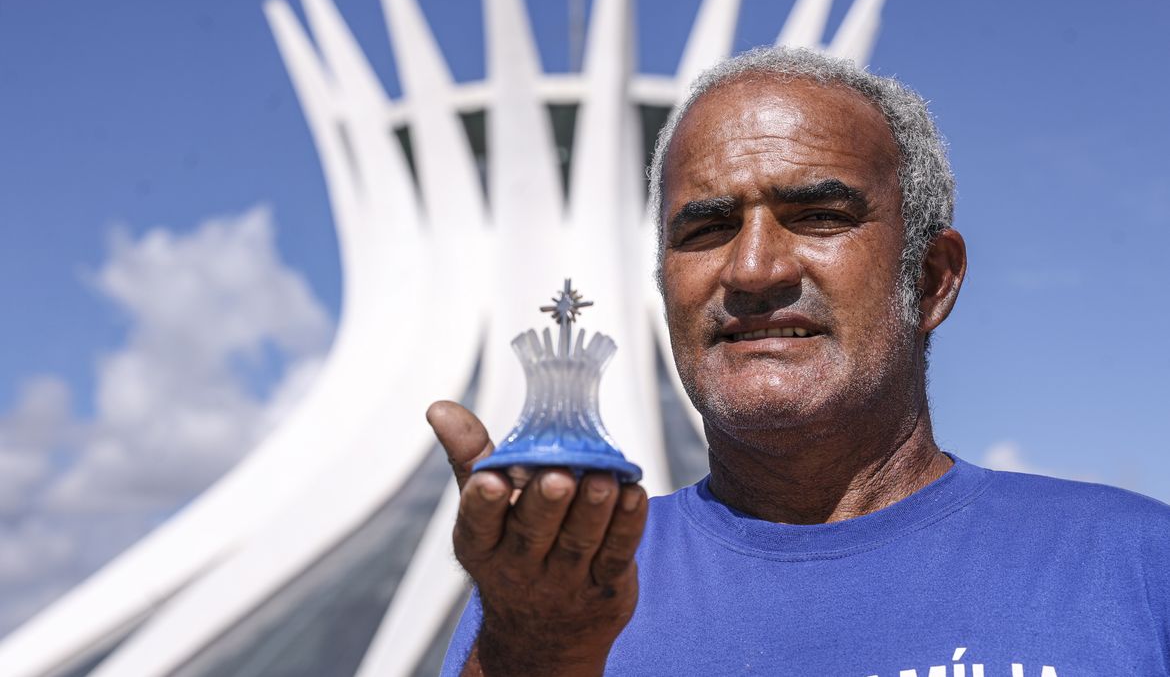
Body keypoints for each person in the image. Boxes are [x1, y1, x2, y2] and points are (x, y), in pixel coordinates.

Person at [427, 47, 1170, 676]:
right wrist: (535, 652)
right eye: (707, 227)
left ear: (931, 278)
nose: (752, 269)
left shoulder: (1131, 569)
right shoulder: (564, 588)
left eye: (819, 216)